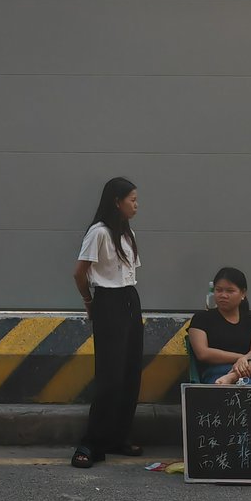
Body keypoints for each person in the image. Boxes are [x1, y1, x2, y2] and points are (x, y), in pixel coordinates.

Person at [71, 177, 143, 469]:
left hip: (129, 299)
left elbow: (128, 274)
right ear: (117, 201)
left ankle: (117, 436)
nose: (136, 205)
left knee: (130, 372)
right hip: (107, 301)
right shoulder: (98, 233)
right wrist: (89, 302)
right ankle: (91, 443)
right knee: (110, 376)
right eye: (132, 200)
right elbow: (79, 273)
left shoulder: (128, 233)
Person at [188, 267, 251, 385]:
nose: (223, 295)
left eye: (230, 291)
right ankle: (232, 377)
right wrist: (242, 358)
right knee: (249, 386)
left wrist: (244, 362)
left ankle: (232, 377)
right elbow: (203, 353)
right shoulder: (201, 319)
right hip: (217, 374)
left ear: (243, 294)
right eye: (219, 290)